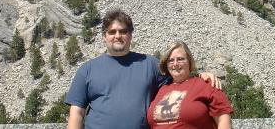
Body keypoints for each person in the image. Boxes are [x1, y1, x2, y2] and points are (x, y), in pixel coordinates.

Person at [66, 10, 221, 129]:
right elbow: (77, 113)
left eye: (123, 31)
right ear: (104, 36)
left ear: (130, 35)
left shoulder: (150, 64)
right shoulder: (87, 69)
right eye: (112, 32)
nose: (118, 36)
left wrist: (200, 76)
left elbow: (179, 80)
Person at [147, 41, 233, 129]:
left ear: (189, 61)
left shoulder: (207, 84)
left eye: (180, 59)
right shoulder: (159, 89)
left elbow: (223, 120)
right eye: (171, 60)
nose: (175, 64)